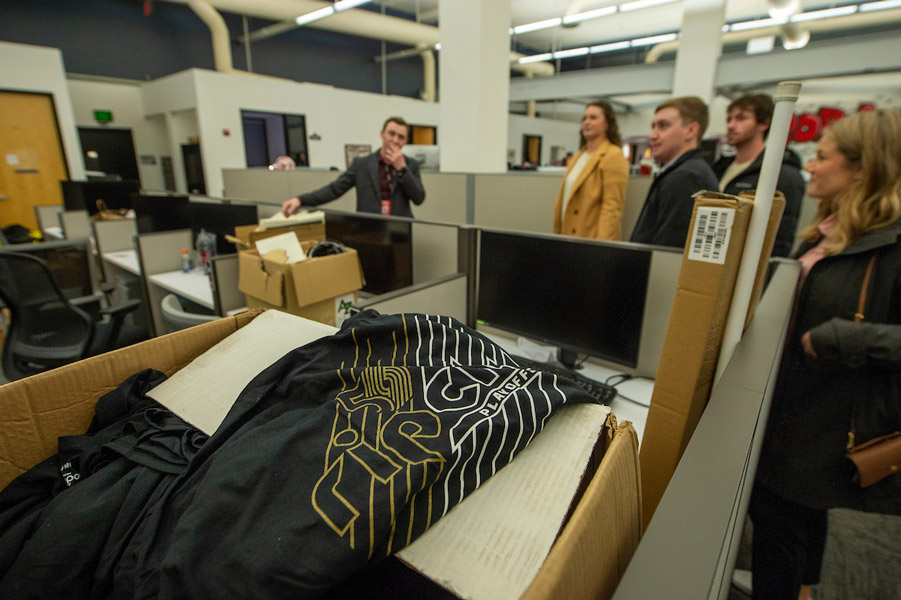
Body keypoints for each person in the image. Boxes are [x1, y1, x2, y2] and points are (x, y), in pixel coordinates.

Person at [750, 109, 901, 600]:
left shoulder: (891, 247)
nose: (810, 166)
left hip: (826, 420)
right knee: (797, 518)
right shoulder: (831, 229)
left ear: (862, 168)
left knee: (778, 526)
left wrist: (847, 338)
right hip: (797, 413)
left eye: (823, 156)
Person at [713, 94, 805, 257]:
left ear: (764, 123)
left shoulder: (781, 174)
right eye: (729, 119)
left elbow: (780, 237)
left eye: (741, 118)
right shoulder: (720, 168)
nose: (731, 126)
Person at [282, 117, 425, 218]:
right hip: (369, 228)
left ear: (405, 141)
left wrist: (402, 169)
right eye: (391, 134)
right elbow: (334, 189)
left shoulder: (410, 165)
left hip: (400, 231)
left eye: (401, 137)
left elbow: (419, 198)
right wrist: (301, 200)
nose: (395, 140)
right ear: (382, 134)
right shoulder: (361, 164)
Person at [629, 96, 719, 248]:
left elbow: (669, 252)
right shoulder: (682, 172)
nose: (653, 135)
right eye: (653, 127)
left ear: (690, 130)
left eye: (663, 126)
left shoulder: (687, 177)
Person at [553, 101, 629, 240]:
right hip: (567, 236)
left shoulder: (613, 155)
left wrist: (600, 248)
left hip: (591, 240)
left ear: (607, 124)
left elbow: (612, 208)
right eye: (584, 118)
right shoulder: (578, 156)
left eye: (593, 118)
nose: (586, 122)